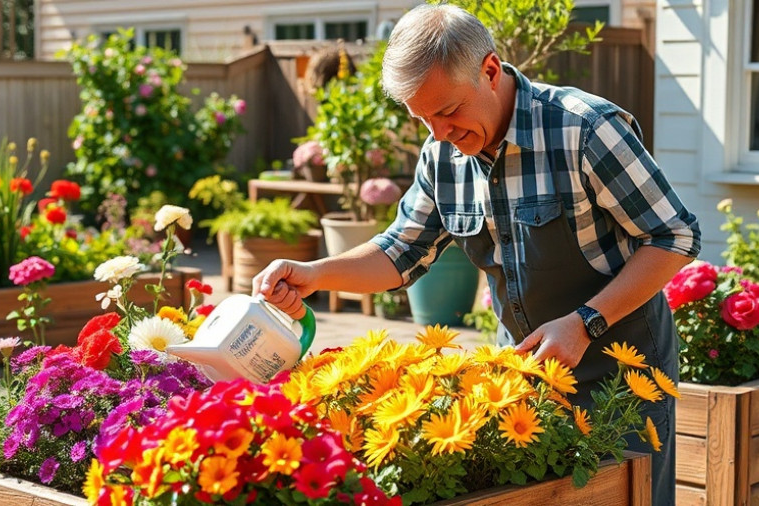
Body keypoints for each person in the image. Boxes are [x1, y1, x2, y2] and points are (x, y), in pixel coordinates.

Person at [253, 4, 699, 503]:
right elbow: (401, 252)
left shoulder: (586, 130)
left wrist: (585, 322)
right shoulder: (442, 154)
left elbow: (674, 237)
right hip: (522, 381)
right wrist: (314, 273)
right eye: (423, 119)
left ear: (489, 70)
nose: (439, 134)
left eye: (447, 112)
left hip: (623, 378)